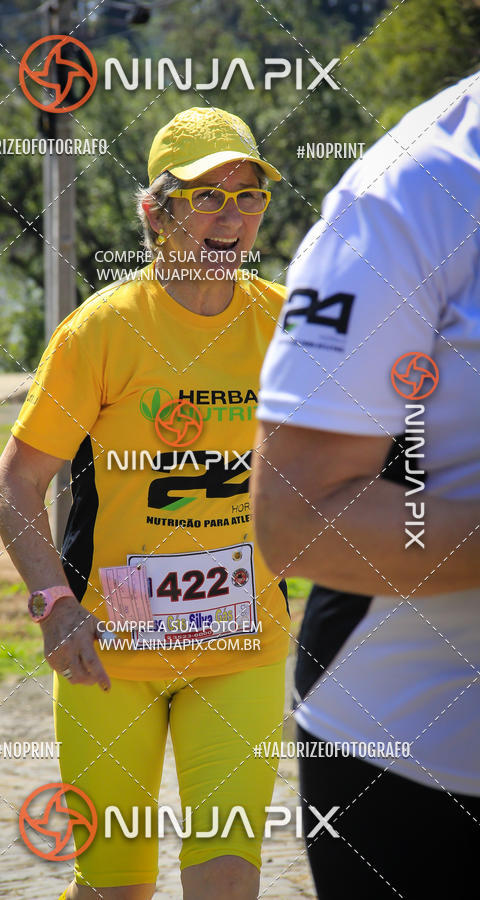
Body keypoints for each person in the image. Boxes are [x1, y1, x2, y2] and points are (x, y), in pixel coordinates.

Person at [0, 107, 291, 900]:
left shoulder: (286, 325)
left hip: (243, 647)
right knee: (116, 887)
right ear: (156, 213)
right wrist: (54, 608)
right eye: (206, 197)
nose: (231, 216)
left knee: (228, 882)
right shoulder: (102, 330)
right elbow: (15, 485)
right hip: (109, 658)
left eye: (248, 196)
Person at [252, 72, 480, 899]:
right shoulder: (417, 186)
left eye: (244, 195)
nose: (228, 216)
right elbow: (296, 520)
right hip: (420, 761)